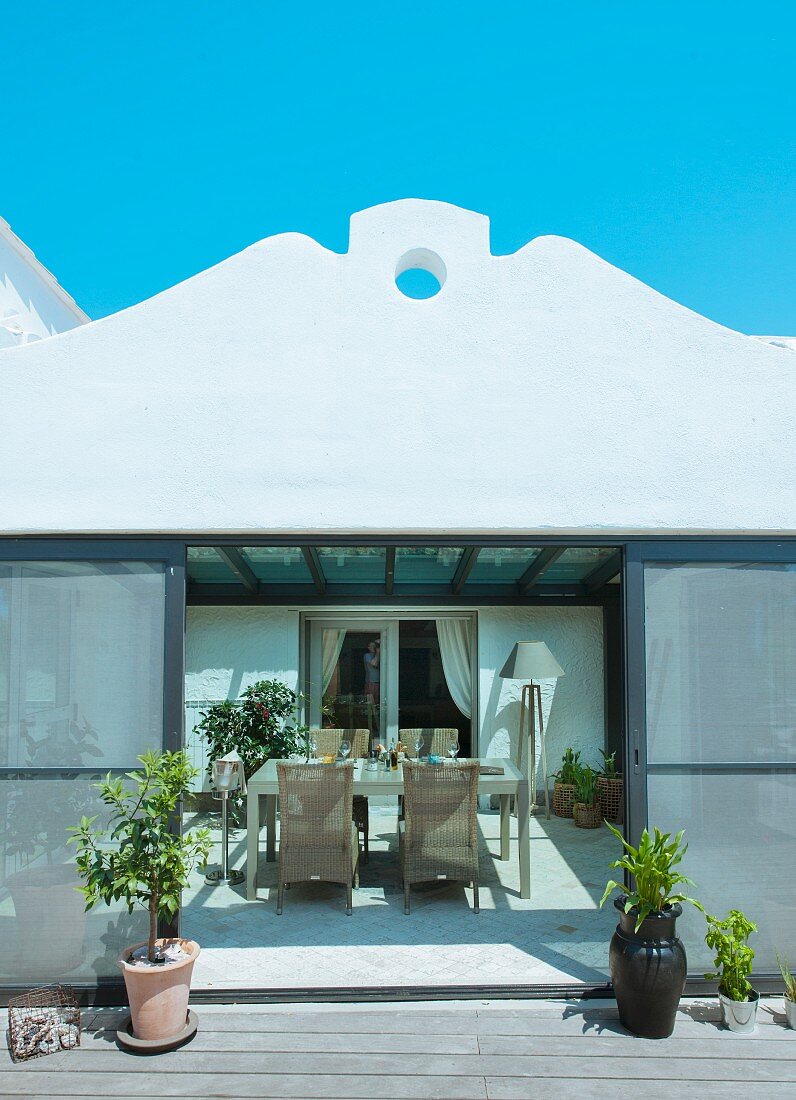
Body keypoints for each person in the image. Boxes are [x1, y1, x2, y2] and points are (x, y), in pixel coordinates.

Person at [363, 639, 380, 705]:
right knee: (370, 703)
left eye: (374, 646)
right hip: (371, 682)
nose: (373, 647)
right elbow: (374, 664)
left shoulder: (380, 655)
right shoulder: (367, 655)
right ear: (368, 647)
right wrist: (378, 652)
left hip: (379, 682)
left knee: (378, 703)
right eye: (371, 646)